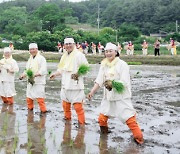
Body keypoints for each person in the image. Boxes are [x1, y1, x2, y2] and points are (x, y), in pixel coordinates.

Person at [87, 42, 144, 144]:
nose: (108, 54)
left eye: (110, 51)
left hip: (121, 97)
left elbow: (125, 82)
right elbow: (99, 80)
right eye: (106, 52)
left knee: (129, 118)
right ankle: (104, 137)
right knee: (102, 118)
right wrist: (92, 91)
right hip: (108, 96)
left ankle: (139, 139)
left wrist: (112, 83)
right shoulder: (104, 65)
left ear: (116, 52)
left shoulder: (122, 65)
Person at [50, 37, 89, 126]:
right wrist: (55, 74)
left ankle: (81, 125)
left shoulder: (79, 55)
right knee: (65, 105)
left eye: (70, 44)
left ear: (74, 44)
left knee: (78, 107)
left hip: (76, 85)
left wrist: (78, 74)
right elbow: (61, 69)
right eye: (66, 44)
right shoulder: (64, 56)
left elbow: (86, 68)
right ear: (64, 46)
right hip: (65, 85)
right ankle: (67, 124)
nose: (68, 46)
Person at [19, 43, 47, 114]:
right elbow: (27, 70)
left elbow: (43, 70)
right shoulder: (30, 59)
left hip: (39, 82)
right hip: (30, 82)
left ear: (37, 49)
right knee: (29, 98)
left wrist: (36, 74)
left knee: (40, 98)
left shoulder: (41, 59)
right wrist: (23, 75)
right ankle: (30, 112)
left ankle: (43, 112)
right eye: (30, 49)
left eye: (33, 49)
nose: (32, 51)